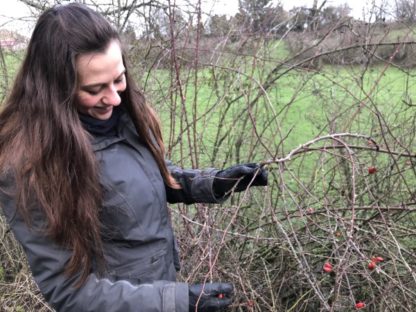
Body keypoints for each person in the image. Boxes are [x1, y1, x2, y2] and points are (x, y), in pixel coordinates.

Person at [0, 3, 267, 312]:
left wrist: (213, 183)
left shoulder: (122, 115)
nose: (114, 97)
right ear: (55, 88)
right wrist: (178, 301)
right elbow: (69, 292)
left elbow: (144, 177)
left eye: (119, 79)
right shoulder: (28, 166)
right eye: (95, 88)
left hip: (160, 289)